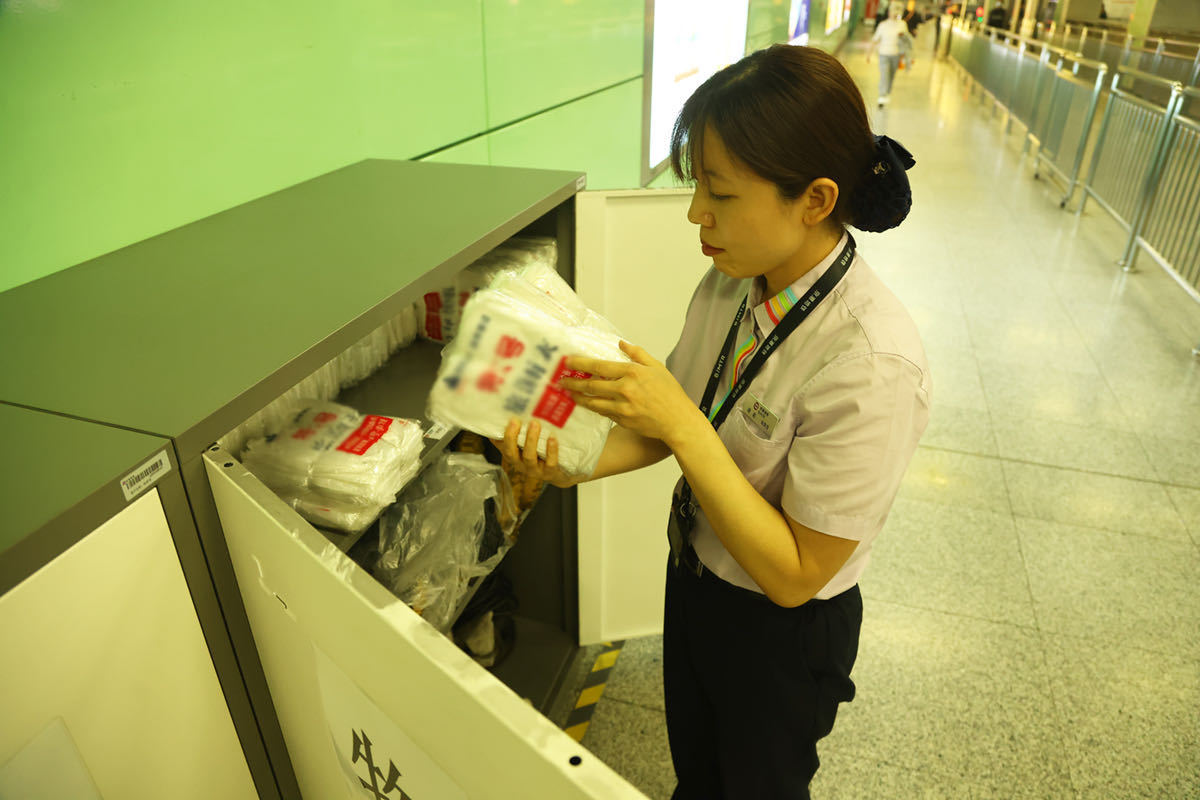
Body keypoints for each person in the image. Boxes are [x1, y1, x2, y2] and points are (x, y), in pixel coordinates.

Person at [498, 45, 930, 800]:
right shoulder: (735, 280)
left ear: (816, 199)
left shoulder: (873, 363)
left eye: (720, 195)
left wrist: (682, 423)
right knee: (699, 762)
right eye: (698, 184)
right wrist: (571, 460)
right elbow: (672, 420)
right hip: (697, 576)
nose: (697, 212)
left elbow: (797, 574)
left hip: (782, 633)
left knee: (758, 782)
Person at [867, 3, 914, 107]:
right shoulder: (883, 25)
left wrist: (908, 56)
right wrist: (868, 54)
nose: (894, 14)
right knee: (884, 75)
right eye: (892, 11)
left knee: (891, 75)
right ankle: (881, 96)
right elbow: (875, 40)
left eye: (896, 12)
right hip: (884, 54)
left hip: (896, 55)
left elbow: (906, 41)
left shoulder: (902, 24)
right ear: (888, 12)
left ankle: (887, 92)